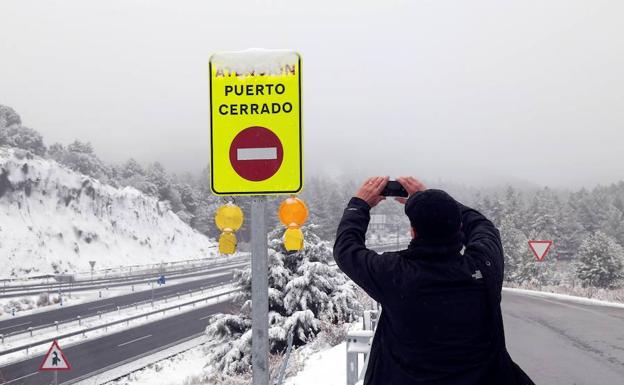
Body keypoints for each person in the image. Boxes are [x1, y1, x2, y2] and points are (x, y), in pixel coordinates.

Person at [333, 176, 535, 385]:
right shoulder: (483, 268)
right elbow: (483, 227)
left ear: (413, 231)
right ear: (458, 227)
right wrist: (436, 202)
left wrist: (359, 204)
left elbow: (346, 249)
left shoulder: (394, 274)